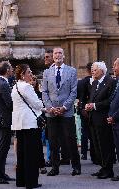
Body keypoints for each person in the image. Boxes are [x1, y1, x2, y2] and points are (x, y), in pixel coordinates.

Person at [42, 47, 81, 176]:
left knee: (70, 139)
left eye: (60, 53)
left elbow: (73, 92)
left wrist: (64, 107)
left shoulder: (72, 71)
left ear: (64, 56)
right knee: (53, 141)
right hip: (51, 112)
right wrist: (50, 108)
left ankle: (76, 166)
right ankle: (55, 167)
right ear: (53, 56)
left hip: (67, 111)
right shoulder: (47, 72)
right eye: (55, 53)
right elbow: (44, 92)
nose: (57, 55)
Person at [12, 64, 44, 189]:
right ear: (22, 74)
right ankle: (31, 182)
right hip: (30, 123)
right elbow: (37, 104)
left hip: (19, 123)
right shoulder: (27, 87)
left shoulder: (15, 86)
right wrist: (47, 108)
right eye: (29, 72)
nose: (31, 74)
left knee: (21, 153)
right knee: (31, 154)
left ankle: (21, 181)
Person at [85, 61, 116, 179]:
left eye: (95, 69)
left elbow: (109, 101)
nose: (92, 71)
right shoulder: (95, 83)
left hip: (103, 118)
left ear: (102, 70)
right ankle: (103, 167)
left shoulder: (110, 82)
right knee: (97, 145)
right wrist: (88, 105)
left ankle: (108, 170)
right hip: (93, 118)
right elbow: (91, 98)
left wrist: (94, 106)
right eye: (92, 69)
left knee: (105, 145)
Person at [0, 61, 15, 184]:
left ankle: (1, 172)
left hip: (3, 119)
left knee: (4, 148)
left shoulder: (2, 82)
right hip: (4, 120)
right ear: (6, 70)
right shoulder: (3, 84)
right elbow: (9, 104)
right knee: (2, 149)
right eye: (10, 68)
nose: (12, 70)